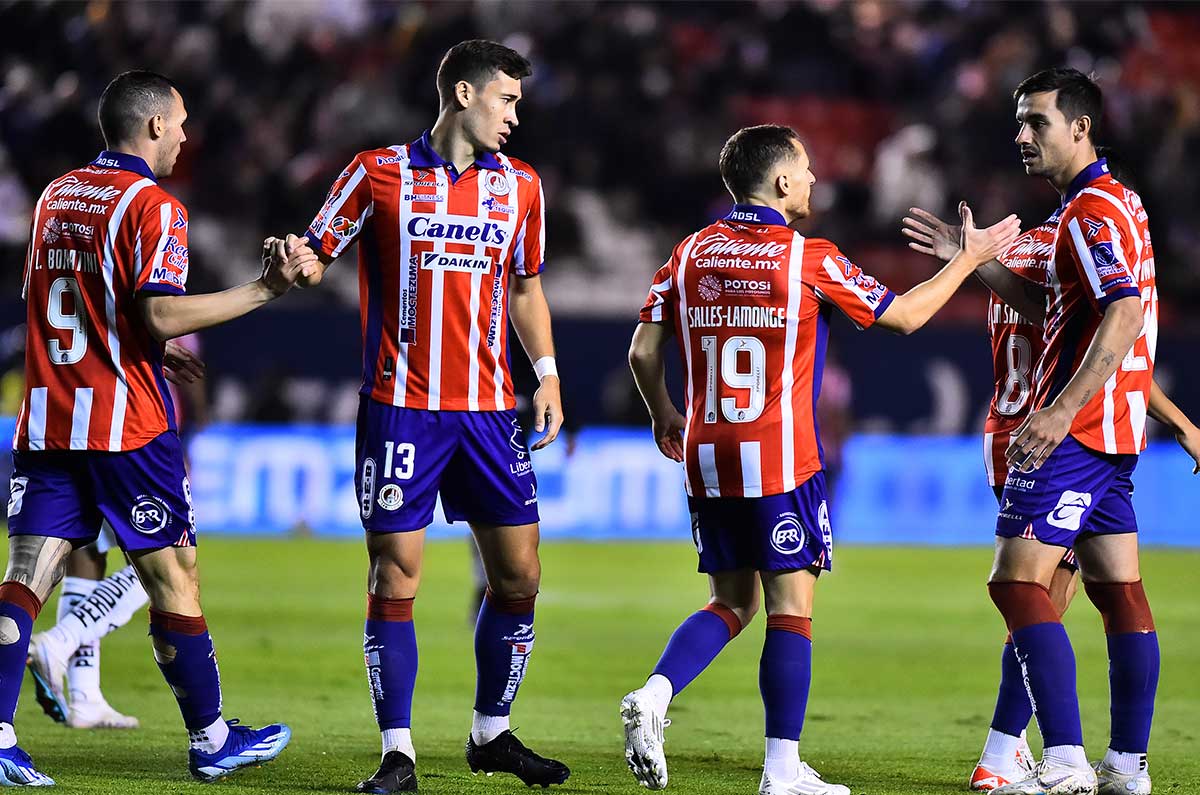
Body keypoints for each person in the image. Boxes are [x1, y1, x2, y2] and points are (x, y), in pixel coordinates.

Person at [621, 124, 1020, 795]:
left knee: (729, 599)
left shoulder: (689, 252)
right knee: (790, 608)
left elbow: (640, 351)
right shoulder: (808, 257)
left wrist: (665, 411)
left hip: (707, 455)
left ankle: (657, 691)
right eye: (805, 168)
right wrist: (966, 259)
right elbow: (905, 318)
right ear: (780, 182)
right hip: (780, 460)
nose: (812, 179)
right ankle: (782, 770)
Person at [0, 69, 314, 785]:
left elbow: (64, 299)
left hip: (50, 417)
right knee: (174, 578)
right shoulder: (154, 206)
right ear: (149, 128)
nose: (183, 135)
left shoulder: (55, 194)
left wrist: (151, 345)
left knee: (23, 580)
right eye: (178, 123)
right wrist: (264, 288)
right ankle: (211, 739)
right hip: (126, 428)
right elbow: (158, 313)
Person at [288, 40, 568, 793]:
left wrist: (545, 374)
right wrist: (298, 263)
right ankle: (398, 751)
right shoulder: (377, 173)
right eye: (506, 100)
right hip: (401, 412)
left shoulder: (522, 188)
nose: (514, 116)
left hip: (488, 412)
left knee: (520, 574)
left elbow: (525, 288)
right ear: (465, 93)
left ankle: (491, 732)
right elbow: (318, 249)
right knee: (395, 575)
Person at [905, 141, 1200, 793]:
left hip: (1011, 426)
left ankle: (1009, 753)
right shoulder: (1075, 250)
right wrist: (1178, 420)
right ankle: (1022, 755)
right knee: (1041, 592)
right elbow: (1107, 345)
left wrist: (971, 256)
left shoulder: (1012, 252)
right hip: (1053, 433)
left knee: (1051, 596)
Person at [25, 338, 206, 730]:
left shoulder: (54, 279)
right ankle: (58, 642)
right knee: (162, 569)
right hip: (125, 431)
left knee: (89, 554)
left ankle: (84, 697)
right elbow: (188, 378)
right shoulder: (154, 292)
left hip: (63, 419)